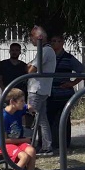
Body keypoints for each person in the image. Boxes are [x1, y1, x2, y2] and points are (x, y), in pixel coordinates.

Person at [0, 88, 42, 170]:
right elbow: (4, 140)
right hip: (2, 144)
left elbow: (27, 106)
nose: (24, 103)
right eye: (22, 101)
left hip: (17, 141)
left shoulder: (19, 109)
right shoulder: (2, 117)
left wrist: (30, 108)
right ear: (12, 102)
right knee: (24, 157)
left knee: (31, 151)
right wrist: (24, 140)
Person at [47, 34, 85, 151]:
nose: (55, 43)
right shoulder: (47, 57)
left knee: (64, 119)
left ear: (62, 43)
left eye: (57, 41)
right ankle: (52, 144)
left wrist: (73, 83)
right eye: (53, 41)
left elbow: (83, 71)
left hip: (64, 94)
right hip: (49, 94)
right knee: (50, 120)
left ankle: (65, 144)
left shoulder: (69, 58)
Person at [27, 26, 56, 156]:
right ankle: (46, 146)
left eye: (32, 36)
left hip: (37, 89)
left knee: (31, 116)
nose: (31, 39)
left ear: (39, 37)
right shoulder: (46, 51)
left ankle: (29, 145)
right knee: (42, 118)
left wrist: (28, 67)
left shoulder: (45, 51)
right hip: (42, 89)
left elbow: (30, 70)